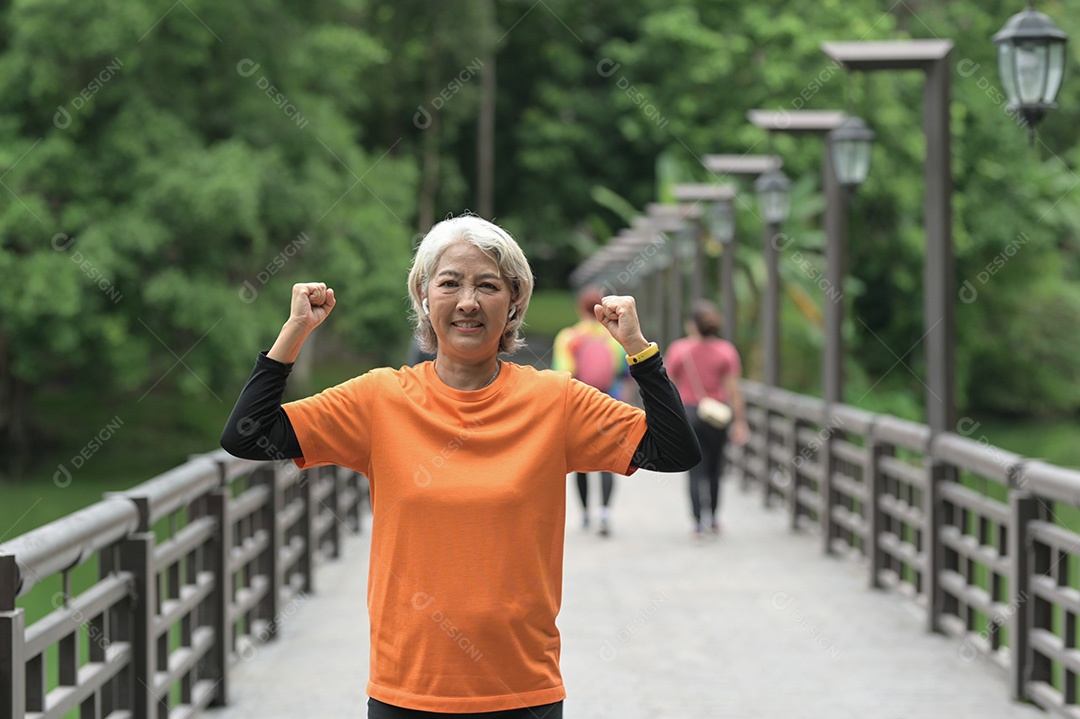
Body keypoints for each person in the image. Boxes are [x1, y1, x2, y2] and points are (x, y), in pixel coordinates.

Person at [220, 214, 700, 718]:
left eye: (487, 285)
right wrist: (295, 331)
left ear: (514, 301)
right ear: (424, 298)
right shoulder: (379, 398)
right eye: (450, 283)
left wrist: (639, 350)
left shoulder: (553, 401)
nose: (468, 301)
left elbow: (673, 451)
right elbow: (249, 435)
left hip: (522, 693)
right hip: (406, 691)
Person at [665, 300, 748, 538]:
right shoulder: (726, 351)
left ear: (692, 325)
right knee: (715, 468)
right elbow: (734, 391)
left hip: (689, 413)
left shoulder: (679, 349)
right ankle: (713, 518)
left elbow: (668, 385)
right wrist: (740, 422)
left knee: (694, 469)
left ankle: (697, 523)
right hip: (718, 415)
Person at [552, 285, 630, 537]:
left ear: (579, 308)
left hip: (580, 407)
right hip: (608, 404)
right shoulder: (612, 339)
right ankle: (605, 513)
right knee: (609, 461)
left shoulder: (569, 337)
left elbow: (561, 373)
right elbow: (623, 373)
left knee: (581, 463)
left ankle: (585, 514)